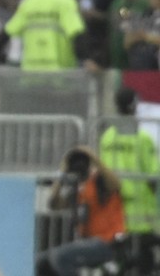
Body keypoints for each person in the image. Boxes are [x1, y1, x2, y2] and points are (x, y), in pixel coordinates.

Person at [36, 146, 126, 276]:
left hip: (108, 242)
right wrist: (63, 172)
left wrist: (92, 157)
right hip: (88, 243)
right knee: (42, 261)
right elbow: (53, 204)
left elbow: (116, 184)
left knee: (60, 257)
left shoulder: (100, 182)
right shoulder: (78, 190)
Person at [99, 86, 160, 273]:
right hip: (142, 216)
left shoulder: (107, 137)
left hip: (115, 212)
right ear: (135, 106)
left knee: (120, 262)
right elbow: (153, 176)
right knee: (144, 262)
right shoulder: (143, 139)